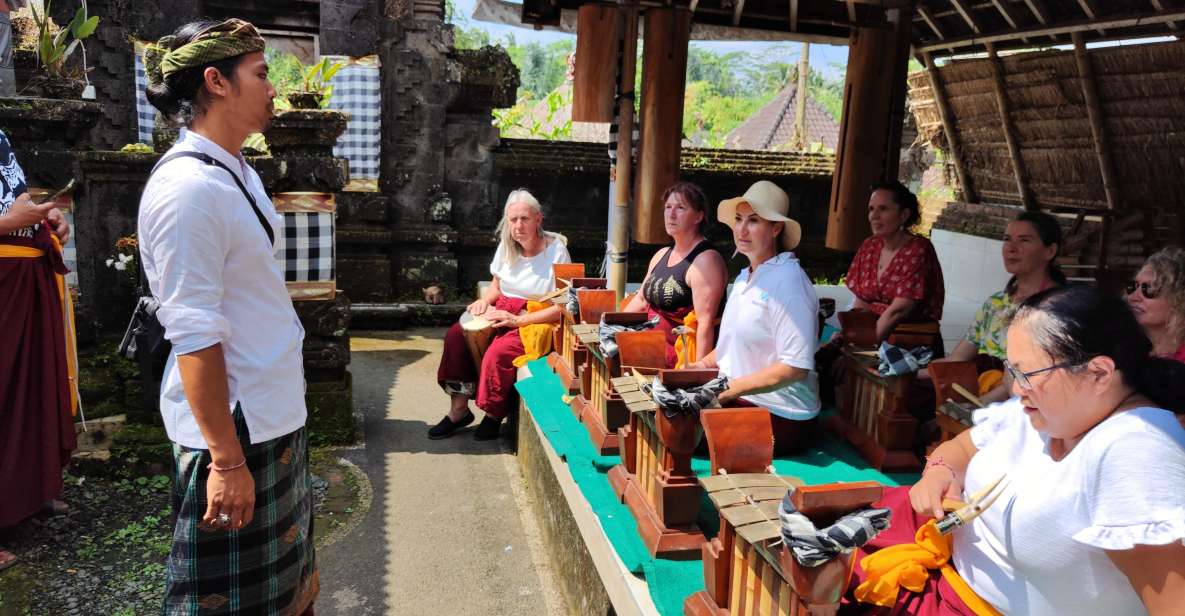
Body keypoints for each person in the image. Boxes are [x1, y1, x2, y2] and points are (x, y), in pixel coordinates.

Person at [849, 285, 1185, 615]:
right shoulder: (1052, 406)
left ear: (1099, 373)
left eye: (1026, 373)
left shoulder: (1135, 450)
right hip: (940, 565)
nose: (1015, 388)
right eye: (1013, 371)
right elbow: (963, 446)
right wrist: (940, 471)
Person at [139, 19, 317, 614]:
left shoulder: (236, 172)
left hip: (270, 414)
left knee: (285, 595)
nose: (273, 89)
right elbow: (193, 335)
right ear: (216, 81)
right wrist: (225, 459)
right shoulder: (188, 190)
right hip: (235, 431)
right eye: (262, 74)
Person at [691, 181, 821, 455]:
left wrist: (727, 392)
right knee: (661, 409)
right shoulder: (744, 277)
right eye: (738, 220)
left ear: (776, 228)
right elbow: (729, 347)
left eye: (753, 221)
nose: (741, 229)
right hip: (740, 398)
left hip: (780, 414)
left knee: (677, 431)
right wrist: (698, 367)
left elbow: (795, 367)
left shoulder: (789, 282)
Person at [431, 189, 571, 440]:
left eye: (524, 219)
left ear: (538, 219)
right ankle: (459, 411)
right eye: (513, 219)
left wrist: (519, 320)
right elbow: (496, 285)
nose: (518, 225)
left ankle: (494, 414)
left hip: (534, 315)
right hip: (503, 307)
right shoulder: (507, 246)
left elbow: (563, 306)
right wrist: (483, 302)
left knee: (499, 353)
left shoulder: (557, 251)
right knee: (455, 336)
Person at [0, 130, 74, 573]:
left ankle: (22, 493)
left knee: (27, 390)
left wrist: (44, 222)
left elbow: (16, 194)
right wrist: (8, 225)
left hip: (24, 275)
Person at [924, 211, 1064, 403]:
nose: (1011, 248)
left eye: (1024, 240)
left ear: (1050, 251)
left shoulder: (1057, 308)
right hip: (981, 394)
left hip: (1022, 403)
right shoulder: (995, 304)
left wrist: (979, 407)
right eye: (1007, 240)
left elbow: (1034, 376)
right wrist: (908, 374)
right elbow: (957, 358)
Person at [622, 182, 727, 367]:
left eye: (680, 208)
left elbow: (705, 324)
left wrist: (695, 375)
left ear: (698, 216)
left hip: (679, 356)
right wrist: (613, 327)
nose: (671, 214)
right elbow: (640, 301)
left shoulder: (706, 260)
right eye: (667, 207)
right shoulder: (661, 254)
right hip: (648, 345)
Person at [845, 180, 945, 348]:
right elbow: (861, 301)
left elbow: (899, 311)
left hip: (908, 344)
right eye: (871, 209)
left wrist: (866, 344)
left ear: (903, 215)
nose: (874, 216)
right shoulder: (869, 246)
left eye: (883, 209)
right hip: (872, 335)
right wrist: (850, 334)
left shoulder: (918, 249)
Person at [1125, 246, 1185, 363]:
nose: (1133, 297)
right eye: (1132, 286)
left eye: (1150, 289)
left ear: (1179, 299)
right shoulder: (1115, 347)